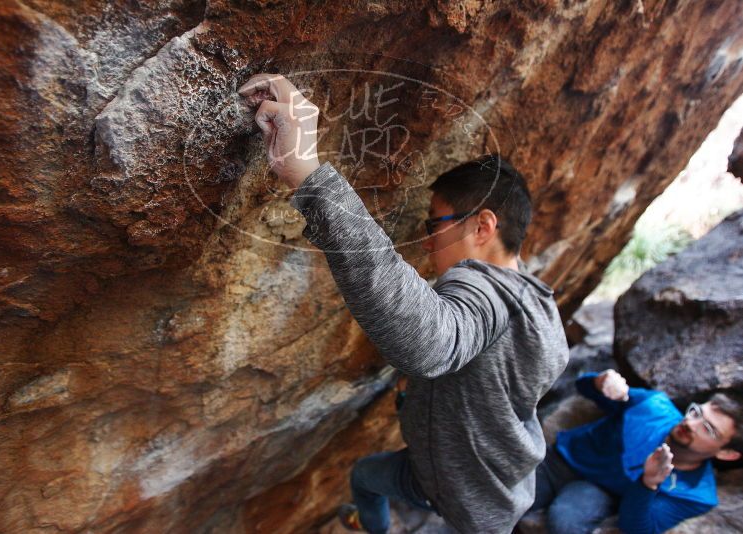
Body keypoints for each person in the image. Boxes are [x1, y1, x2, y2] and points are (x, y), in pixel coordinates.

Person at [237, 73, 570, 533]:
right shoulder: (537, 300)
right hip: (485, 479)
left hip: (469, 501)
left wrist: (308, 175)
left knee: (373, 480)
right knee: (367, 477)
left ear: (482, 227)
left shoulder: (486, 294)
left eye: (435, 223)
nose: (427, 240)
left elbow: (433, 343)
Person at [528, 369, 743, 534]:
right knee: (510, 487)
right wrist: (601, 381)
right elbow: (585, 387)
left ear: (727, 453)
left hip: (598, 490)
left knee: (566, 521)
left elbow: (638, 529)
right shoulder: (654, 407)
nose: (690, 422)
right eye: (696, 412)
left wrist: (648, 484)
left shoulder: (696, 494)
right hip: (565, 459)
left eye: (707, 428)